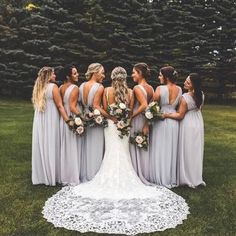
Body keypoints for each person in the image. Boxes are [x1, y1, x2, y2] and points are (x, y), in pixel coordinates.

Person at [42, 67, 189, 235]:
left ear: (112, 77)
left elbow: (102, 109)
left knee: (111, 152)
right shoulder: (130, 91)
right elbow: (132, 108)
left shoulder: (106, 90)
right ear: (125, 78)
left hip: (111, 126)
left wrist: (111, 118)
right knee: (123, 153)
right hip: (125, 125)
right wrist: (125, 119)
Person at [164, 73, 206, 188]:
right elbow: (198, 109)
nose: (184, 83)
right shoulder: (201, 95)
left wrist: (166, 115)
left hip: (188, 124)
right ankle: (195, 176)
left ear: (193, 85)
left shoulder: (185, 97)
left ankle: (186, 177)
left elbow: (180, 115)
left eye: (188, 82)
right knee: (195, 150)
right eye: (185, 81)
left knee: (187, 150)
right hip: (198, 123)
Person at [32, 66, 70, 186]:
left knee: (43, 143)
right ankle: (53, 174)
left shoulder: (38, 88)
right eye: (53, 74)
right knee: (52, 143)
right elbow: (59, 106)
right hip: (51, 118)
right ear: (48, 76)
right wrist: (68, 120)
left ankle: (43, 174)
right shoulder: (53, 87)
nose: (55, 76)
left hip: (40, 119)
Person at [149, 65, 182, 188]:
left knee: (160, 147)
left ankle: (159, 176)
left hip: (161, 120)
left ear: (166, 77)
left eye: (160, 75)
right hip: (174, 122)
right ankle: (169, 176)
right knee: (171, 148)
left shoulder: (159, 88)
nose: (159, 77)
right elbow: (178, 107)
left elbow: (152, 105)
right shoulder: (179, 89)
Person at [78, 63, 105, 182]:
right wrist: (109, 116)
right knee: (96, 145)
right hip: (95, 120)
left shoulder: (82, 86)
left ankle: (85, 172)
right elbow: (96, 106)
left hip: (84, 118)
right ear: (95, 72)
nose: (103, 75)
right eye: (102, 72)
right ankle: (95, 173)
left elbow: (80, 104)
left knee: (85, 145)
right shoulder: (99, 87)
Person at [130, 62, 154, 184]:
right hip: (146, 120)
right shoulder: (151, 88)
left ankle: (136, 173)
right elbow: (151, 108)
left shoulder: (136, 88)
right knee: (142, 145)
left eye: (134, 72)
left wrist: (131, 116)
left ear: (139, 73)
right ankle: (144, 172)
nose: (132, 75)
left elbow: (144, 105)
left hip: (137, 118)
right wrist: (147, 123)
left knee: (135, 144)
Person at [59, 65, 81, 186]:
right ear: (68, 76)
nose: (77, 75)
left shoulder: (61, 87)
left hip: (63, 118)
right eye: (75, 73)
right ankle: (72, 175)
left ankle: (64, 174)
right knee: (72, 145)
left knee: (64, 145)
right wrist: (82, 117)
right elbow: (72, 107)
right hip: (71, 118)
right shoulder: (75, 88)